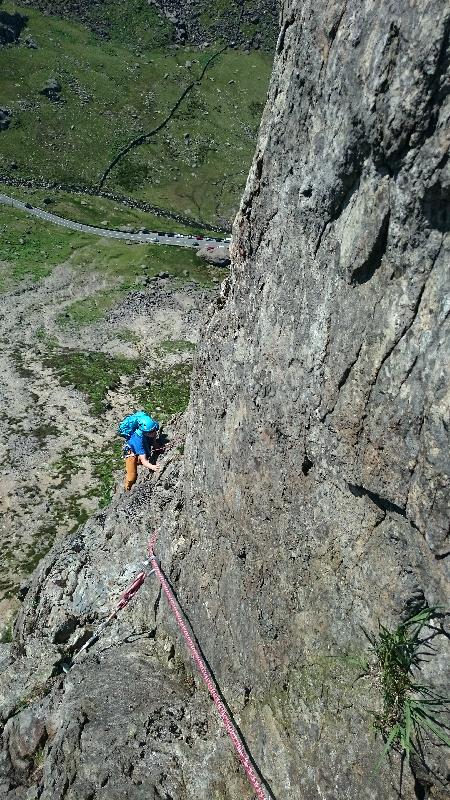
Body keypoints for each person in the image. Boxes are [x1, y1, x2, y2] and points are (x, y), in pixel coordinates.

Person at [122, 414, 160, 491]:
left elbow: (154, 435)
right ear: (143, 431)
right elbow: (144, 461)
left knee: (143, 456)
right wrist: (153, 467)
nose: (153, 433)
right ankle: (127, 488)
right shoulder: (138, 441)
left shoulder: (153, 426)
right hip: (131, 452)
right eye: (150, 432)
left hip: (142, 445)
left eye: (153, 430)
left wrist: (155, 444)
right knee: (131, 476)